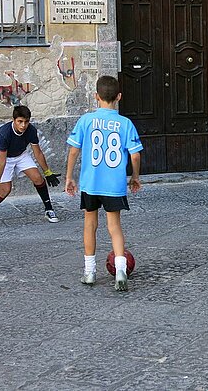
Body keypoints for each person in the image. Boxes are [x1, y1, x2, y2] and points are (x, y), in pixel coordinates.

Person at [65, 75, 143, 292]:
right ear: (119, 97)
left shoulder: (86, 121)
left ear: (95, 96)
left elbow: (73, 150)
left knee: (90, 225)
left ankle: (89, 272)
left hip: (91, 182)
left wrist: (69, 176)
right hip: (114, 184)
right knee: (114, 226)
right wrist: (135, 177)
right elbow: (135, 155)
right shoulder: (126, 123)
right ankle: (120, 270)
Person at [0, 106, 61, 231]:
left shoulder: (31, 130)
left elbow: (37, 153)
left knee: (38, 178)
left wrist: (47, 172)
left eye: (26, 122)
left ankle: (49, 210)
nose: (23, 125)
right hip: (3, 157)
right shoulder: (5, 133)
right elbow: (2, 159)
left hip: (21, 154)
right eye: (20, 121)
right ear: (13, 120)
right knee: (5, 189)